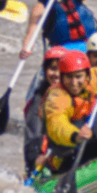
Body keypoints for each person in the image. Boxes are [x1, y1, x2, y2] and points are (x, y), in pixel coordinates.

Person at [23, 45, 67, 175]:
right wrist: (36, 158)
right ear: (45, 70)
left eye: (61, 69)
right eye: (53, 69)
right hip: (48, 158)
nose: (57, 74)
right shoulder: (38, 101)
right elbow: (33, 136)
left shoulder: (77, 94)